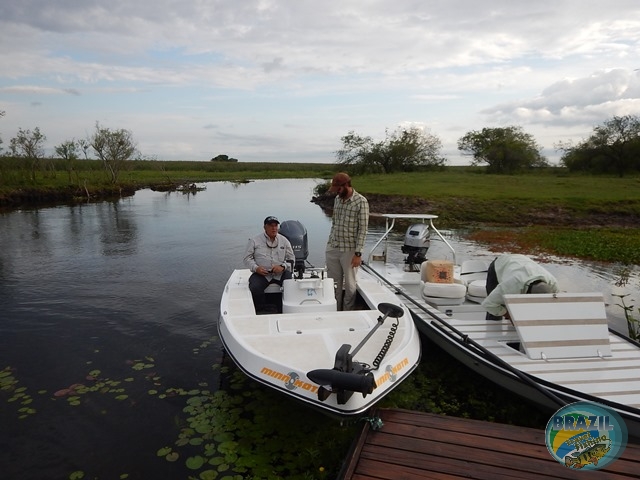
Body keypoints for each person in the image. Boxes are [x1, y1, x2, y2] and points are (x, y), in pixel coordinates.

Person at [325, 172, 369, 310]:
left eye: (338, 188)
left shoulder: (361, 202)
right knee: (333, 283)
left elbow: (363, 229)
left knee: (350, 284)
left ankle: (347, 311)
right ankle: (334, 308)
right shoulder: (337, 199)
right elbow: (334, 223)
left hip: (349, 249)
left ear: (346, 185)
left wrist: (358, 254)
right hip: (333, 246)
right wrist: (330, 242)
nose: (336, 192)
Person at [482, 253, 559, 320]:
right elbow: (488, 304)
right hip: (501, 264)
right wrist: (508, 315)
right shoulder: (511, 286)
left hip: (522, 261)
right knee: (496, 312)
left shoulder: (553, 285)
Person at [243, 216, 295, 314]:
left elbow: (292, 259)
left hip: (280, 273)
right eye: (271, 226)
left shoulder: (284, 240)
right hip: (262, 274)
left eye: (276, 225)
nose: (274, 228)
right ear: (264, 227)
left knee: (290, 285)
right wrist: (256, 268)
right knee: (254, 287)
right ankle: (262, 309)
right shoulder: (254, 241)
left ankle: (287, 309)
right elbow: (247, 258)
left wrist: (283, 267)